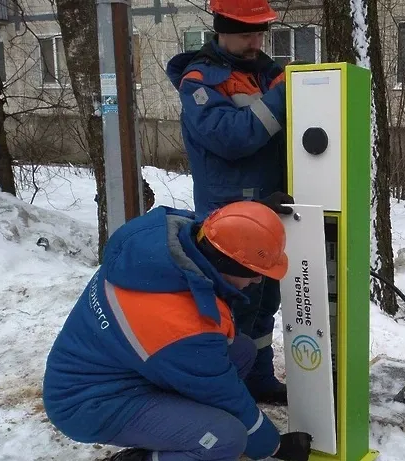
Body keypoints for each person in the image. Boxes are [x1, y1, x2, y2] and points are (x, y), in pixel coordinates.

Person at [42, 195, 313, 461]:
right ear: (228, 264)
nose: (257, 279)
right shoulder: (182, 324)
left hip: (121, 367)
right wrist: (273, 446)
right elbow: (224, 394)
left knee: (240, 351)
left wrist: (252, 220)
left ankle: (179, 423)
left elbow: (213, 226)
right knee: (225, 439)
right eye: (255, 271)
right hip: (88, 404)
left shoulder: (165, 242)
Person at [165, 0, 290, 405]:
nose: (256, 42)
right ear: (222, 30)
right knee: (233, 310)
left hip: (272, 210)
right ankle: (223, 390)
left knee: (263, 305)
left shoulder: (268, 75)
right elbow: (231, 138)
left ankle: (258, 378)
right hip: (228, 220)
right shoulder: (200, 81)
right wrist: (286, 96)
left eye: (260, 32)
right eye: (247, 34)